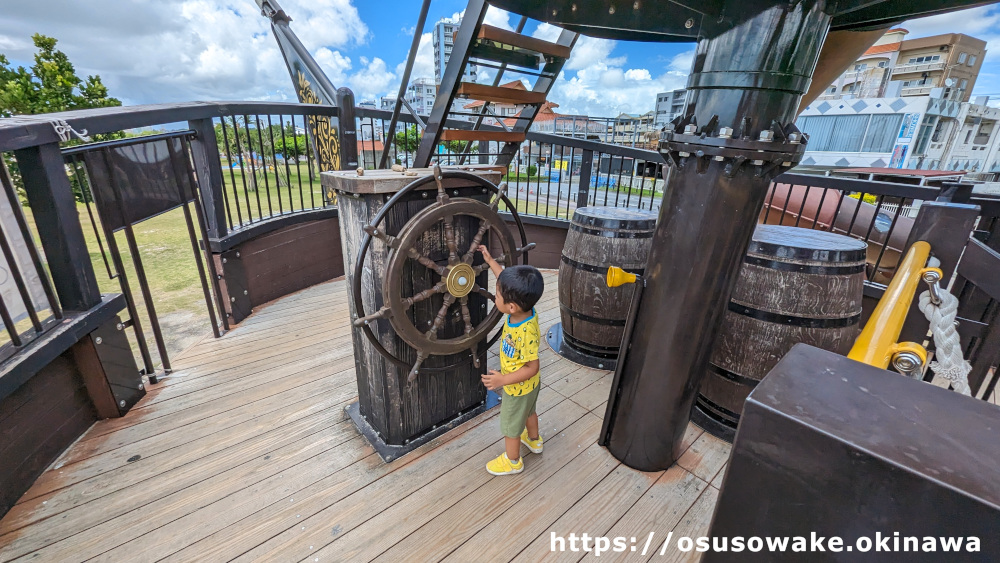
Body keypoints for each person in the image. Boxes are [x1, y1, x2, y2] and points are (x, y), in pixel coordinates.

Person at [476, 245, 544, 475]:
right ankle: (534, 441)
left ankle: (513, 461)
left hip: (517, 388)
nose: (495, 296)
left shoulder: (524, 332)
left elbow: (532, 367)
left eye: (497, 295)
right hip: (530, 388)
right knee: (529, 413)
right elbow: (504, 281)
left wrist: (503, 380)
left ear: (511, 306)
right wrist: (490, 260)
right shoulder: (525, 311)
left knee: (511, 427)